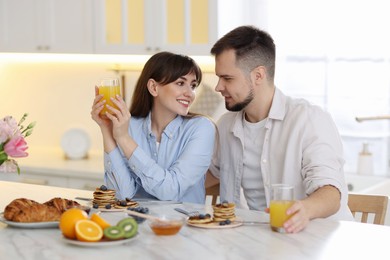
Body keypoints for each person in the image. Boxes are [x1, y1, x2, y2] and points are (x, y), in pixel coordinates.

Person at [206, 25, 354, 233]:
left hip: (320, 243)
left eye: (227, 78)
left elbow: (331, 193)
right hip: (263, 240)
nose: (218, 87)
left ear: (258, 75)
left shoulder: (308, 119)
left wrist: (305, 209)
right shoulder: (225, 125)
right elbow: (210, 174)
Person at [91, 52, 215, 204]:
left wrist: (124, 139)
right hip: (138, 223)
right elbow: (121, 195)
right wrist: (106, 128)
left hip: (184, 225)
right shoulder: (130, 126)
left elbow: (170, 189)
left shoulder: (201, 128)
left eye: (193, 85)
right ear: (153, 87)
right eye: (181, 83)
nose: (190, 93)